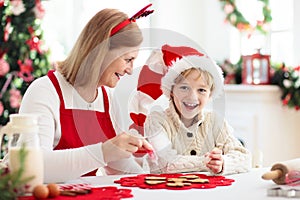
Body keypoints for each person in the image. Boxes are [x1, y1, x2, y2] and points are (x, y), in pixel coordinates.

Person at [6, 4, 155, 183]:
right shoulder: (45, 91)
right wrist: (104, 151)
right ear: (102, 51)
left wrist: (152, 180)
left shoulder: (107, 98)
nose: (130, 70)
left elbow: (118, 163)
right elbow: (33, 168)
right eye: (128, 60)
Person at [131, 44, 252, 175]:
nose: (192, 97)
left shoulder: (215, 121)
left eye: (201, 90)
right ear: (171, 90)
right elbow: (166, 163)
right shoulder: (156, 120)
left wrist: (223, 162)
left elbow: (244, 158)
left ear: (210, 94)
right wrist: (206, 162)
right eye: (184, 88)